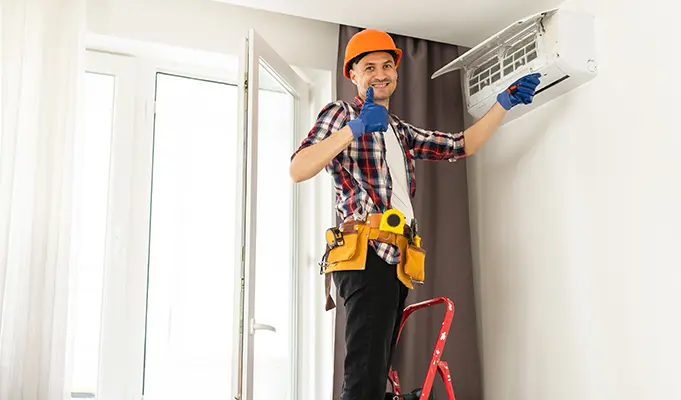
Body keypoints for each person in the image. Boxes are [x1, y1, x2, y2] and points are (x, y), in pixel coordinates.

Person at [289, 28, 541, 400]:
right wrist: (354, 129)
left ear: (396, 73)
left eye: (387, 66)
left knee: (375, 377)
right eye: (369, 67)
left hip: (396, 259)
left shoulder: (399, 131)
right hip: (366, 256)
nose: (380, 74)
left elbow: (462, 144)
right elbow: (299, 168)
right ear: (353, 75)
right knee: (364, 377)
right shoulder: (340, 113)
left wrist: (503, 102)